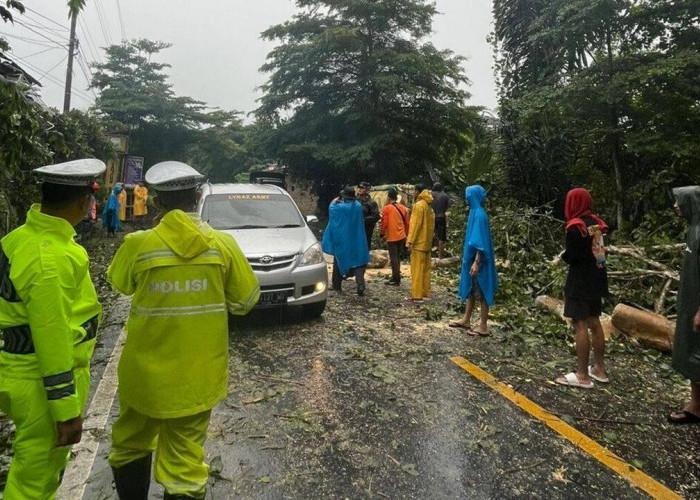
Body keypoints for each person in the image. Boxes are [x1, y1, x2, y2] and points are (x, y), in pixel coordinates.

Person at [107, 161, 260, 499]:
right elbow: (247, 300)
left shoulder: (138, 244)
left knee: (130, 443)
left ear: (157, 202)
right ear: (196, 196)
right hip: (197, 376)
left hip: (143, 376)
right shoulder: (222, 245)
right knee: (185, 465)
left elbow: (119, 284)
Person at [0, 159, 105, 498]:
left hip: (19, 368)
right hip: (41, 382)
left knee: (35, 470)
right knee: (36, 480)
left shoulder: (20, 238)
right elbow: (51, 334)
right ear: (81, 202)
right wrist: (65, 411)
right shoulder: (52, 258)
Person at [556, 188, 609, 389]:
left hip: (580, 281)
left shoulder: (575, 227)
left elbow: (573, 256)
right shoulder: (595, 224)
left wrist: (563, 257)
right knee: (595, 322)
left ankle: (582, 375)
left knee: (580, 324)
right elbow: (599, 254)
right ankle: (599, 369)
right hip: (597, 277)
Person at [668, 186, 700, 424]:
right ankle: (696, 405)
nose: (676, 206)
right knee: (690, 353)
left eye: (680, 201)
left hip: (697, 308)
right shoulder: (693, 229)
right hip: (689, 304)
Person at [449, 185, 498, 335]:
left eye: (468, 195)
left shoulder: (480, 215)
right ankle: (466, 319)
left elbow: (480, 242)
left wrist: (477, 261)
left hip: (480, 262)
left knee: (482, 290)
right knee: (470, 289)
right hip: (471, 260)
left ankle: (483, 326)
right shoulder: (473, 213)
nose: (466, 198)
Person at [322, 187, 370, 296]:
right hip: (357, 239)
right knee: (359, 262)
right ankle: (360, 285)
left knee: (338, 260)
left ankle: (337, 285)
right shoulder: (358, 206)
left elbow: (331, 207)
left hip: (343, 240)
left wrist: (337, 199)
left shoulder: (338, 207)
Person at [406, 184, 435, 302]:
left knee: (417, 270)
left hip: (418, 244)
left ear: (417, 192)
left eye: (413, 190)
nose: (413, 193)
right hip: (427, 243)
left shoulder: (418, 206)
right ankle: (425, 293)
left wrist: (410, 241)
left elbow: (415, 225)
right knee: (426, 270)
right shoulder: (429, 206)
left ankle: (417, 295)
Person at [380, 188, 410, 285]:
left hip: (392, 236)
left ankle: (395, 279)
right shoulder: (404, 208)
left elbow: (384, 223)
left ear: (389, 197)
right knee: (397, 256)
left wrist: (382, 233)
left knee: (394, 257)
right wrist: (407, 235)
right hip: (402, 236)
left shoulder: (386, 208)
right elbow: (407, 223)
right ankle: (396, 276)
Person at [357, 181, 380, 250]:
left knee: (364, 249)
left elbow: (376, 216)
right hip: (355, 230)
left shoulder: (372, 203)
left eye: (362, 188)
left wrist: (363, 220)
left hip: (366, 230)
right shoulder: (356, 201)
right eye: (359, 188)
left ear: (367, 190)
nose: (359, 189)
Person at [432, 183, 450, 259]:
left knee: (431, 235)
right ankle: (440, 256)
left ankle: (430, 253)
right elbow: (446, 209)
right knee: (441, 237)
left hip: (432, 217)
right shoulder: (445, 196)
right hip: (441, 217)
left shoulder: (431, 195)